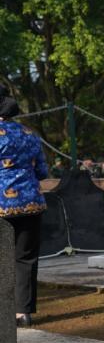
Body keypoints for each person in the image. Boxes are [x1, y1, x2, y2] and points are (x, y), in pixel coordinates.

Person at [0, 91, 49, 327]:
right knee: (26, 258)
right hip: (31, 203)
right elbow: (42, 172)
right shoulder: (30, 134)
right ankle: (23, 313)